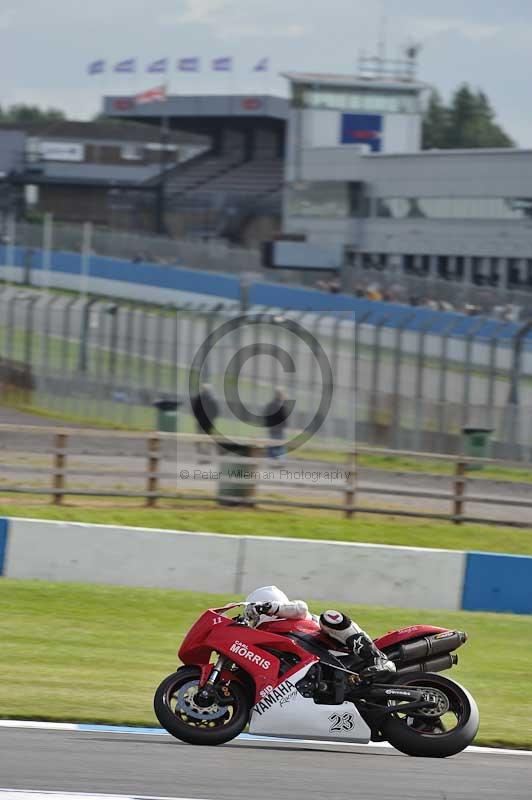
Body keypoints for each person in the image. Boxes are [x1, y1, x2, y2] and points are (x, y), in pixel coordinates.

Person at [245, 585, 395, 678]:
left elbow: (301, 607)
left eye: (253, 609)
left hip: (343, 652)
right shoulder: (270, 633)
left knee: (330, 616)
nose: (251, 615)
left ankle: (378, 658)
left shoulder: (294, 614)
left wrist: (267, 607)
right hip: (324, 669)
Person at [191, 384, 219, 456]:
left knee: (200, 435)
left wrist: (197, 417)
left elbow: (194, 409)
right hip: (209, 422)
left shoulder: (198, 398)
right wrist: (213, 418)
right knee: (208, 436)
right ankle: (207, 451)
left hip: (201, 421)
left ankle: (200, 450)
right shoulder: (212, 398)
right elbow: (216, 411)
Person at [263, 387, 289, 459]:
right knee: (280, 447)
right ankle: (279, 462)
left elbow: (265, 416)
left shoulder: (270, 405)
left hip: (271, 430)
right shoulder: (281, 406)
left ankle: (272, 460)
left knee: (272, 446)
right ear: (280, 395)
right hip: (279, 431)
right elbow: (284, 420)